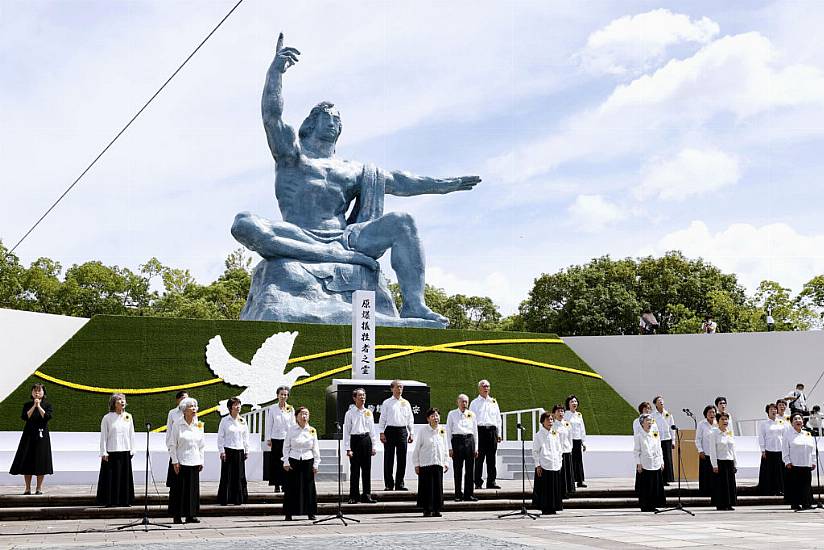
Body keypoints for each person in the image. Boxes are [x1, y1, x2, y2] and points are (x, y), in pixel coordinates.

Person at [231, 34, 481, 327]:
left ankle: (415, 305)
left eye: (338, 118)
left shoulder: (352, 169)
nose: (335, 120)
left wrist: (443, 185)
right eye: (328, 115)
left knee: (403, 222)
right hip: (297, 233)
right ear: (311, 122)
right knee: (243, 223)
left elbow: (401, 181)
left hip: (346, 238)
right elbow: (272, 116)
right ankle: (326, 254)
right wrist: (275, 73)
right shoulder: (292, 156)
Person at [9, 383, 53, 495]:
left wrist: (39, 406)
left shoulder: (47, 405)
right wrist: (34, 406)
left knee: (41, 461)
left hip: (42, 436)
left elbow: (47, 417)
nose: (37, 393)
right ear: (32, 393)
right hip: (28, 435)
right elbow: (25, 417)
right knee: (27, 460)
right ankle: (27, 488)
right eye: (35, 391)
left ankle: (39, 488)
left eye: (39, 391)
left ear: (44, 393)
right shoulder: (27, 405)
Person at [168, 397, 205, 524]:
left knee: (193, 490)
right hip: (181, 461)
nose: (194, 409)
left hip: (194, 461)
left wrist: (201, 460)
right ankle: (177, 515)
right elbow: (172, 444)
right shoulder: (177, 424)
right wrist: (174, 461)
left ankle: (191, 515)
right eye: (191, 406)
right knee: (179, 490)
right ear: (184, 410)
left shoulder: (199, 425)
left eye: (195, 406)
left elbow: (201, 445)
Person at [96, 393, 135, 507]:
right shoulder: (107, 418)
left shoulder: (128, 416)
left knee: (124, 477)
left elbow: (131, 434)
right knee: (111, 478)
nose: (122, 402)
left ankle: (125, 500)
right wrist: (103, 452)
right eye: (119, 400)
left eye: (123, 400)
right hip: (111, 451)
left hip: (125, 450)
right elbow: (104, 436)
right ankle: (110, 500)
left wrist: (133, 449)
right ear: (114, 403)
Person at [282, 406, 320, 520]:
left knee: (309, 487)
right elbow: (286, 446)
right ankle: (289, 513)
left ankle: (310, 512)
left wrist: (316, 464)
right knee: (291, 487)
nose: (304, 416)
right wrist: (286, 461)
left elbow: (315, 448)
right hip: (294, 460)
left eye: (306, 414)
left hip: (308, 460)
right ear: (296, 416)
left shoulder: (312, 430)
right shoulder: (291, 430)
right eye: (302, 414)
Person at [343, 388, 378, 504]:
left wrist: (374, 445)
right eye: (360, 396)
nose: (362, 398)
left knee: (366, 470)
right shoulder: (350, 413)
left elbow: (372, 430)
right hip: (355, 440)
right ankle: (354, 496)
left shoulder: (368, 412)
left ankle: (367, 495)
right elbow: (347, 431)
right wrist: (348, 448)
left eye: (364, 395)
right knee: (355, 470)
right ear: (354, 398)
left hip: (366, 440)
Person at [378, 380, 414, 491]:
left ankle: (400, 483)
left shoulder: (406, 403)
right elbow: (382, 418)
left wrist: (411, 432)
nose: (399, 389)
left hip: (402, 431)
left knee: (402, 458)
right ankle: (389, 484)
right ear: (392, 389)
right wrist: (381, 432)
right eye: (397, 387)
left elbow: (410, 419)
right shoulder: (387, 402)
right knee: (389, 458)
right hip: (390, 430)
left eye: (401, 387)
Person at [413, 408, 449, 517]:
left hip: (438, 462)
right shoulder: (423, 431)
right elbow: (417, 448)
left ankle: (437, 509)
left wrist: (446, 462)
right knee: (426, 487)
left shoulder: (442, 430)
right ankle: (427, 509)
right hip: (425, 463)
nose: (435, 418)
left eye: (437, 416)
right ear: (428, 418)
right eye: (433, 416)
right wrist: (416, 464)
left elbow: (445, 447)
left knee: (437, 487)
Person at [217, 397, 249, 505]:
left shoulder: (243, 421)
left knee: (239, 475)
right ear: (230, 407)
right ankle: (225, 498)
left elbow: (245, 437)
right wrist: (221, 451)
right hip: (228, 450)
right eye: (235, 405)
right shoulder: (224, 420)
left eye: (239, 404)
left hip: (240, 450)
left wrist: (246, 450)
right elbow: (220, 437)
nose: (238, 407)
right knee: (227, 475)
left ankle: (238, 499)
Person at [446, 394, 479, 502]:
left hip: (469, 441)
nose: (464, 404)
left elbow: (475, 432)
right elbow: (448, 432)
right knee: (458, 469)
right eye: (462, 401)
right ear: (458, 402)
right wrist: (450, 448)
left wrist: (476, 448)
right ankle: (458, 494)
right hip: (457, 441)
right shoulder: (452, 414)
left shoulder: (472, 414)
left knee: (470, 470)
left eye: (466, 402)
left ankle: (469, 494)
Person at [471, 380, 502, 490]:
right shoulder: (474, 403)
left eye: (488, 386)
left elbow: (498, 419)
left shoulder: (493, 402)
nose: (486, 388)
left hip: (492, 432)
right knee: (479, 458)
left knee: (491, 459)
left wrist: (499, 433)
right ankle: (477, 482)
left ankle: (491, 481)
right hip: (480, 431)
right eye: (484, 386)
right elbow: (472, 420)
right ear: (479, 388)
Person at [532, 411, 564, 515]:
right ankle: (545, 507)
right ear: (542, 422)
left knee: (554, 488)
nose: (550, 421)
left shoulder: (555, 433)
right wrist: (537, 465)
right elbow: (535, 451)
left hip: (555, 464)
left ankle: (554, 507)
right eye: (548, 419)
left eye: (551, 419)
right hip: (544, 464)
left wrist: (560, 462)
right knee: (545, 489)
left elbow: (559, 449)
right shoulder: (539, 435)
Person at [783, 413, 816, 510]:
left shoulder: (807, 434)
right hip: (794, 464)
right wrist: (787, 461)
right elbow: (785, 449)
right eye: (795, 419)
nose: (798, 421)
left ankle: (807, 503)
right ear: (792, 423)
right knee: (795, 485)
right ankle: (795, 504)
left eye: (799, 419)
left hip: (806, 463)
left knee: (806, 485)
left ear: (803, 421)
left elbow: (812, 448)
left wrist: (813, 461)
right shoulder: (788, 435)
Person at [265, 385, 294, 493]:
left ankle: (285, 484)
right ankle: (276, 484)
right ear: (277, 395)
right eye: (281, 394)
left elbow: (293, 424)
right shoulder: (272, 408)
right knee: (276, 462)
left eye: (285, 395)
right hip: (276, 439)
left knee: (286, 462)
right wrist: (268, 438)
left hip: (287, 439)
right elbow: (269, 424)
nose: (283, 396)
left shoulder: (290, 409)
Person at [634, 414, 666, 512]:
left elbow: (659, 448)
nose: (649, 422)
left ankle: (653, 504)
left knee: (654, 486)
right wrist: (638, 464)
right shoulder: (639, 436)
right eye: (647, 420)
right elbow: (636, 451)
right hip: (645, 464)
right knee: (645, 487)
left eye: (651, 420)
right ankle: (645, 505)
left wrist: (662, 461)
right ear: (642, 423)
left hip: (655, 463)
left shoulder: (655, 434)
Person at [709, 412, 737, 510]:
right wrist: (714, 465)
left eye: (726, 419)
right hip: (720, 461)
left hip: (729, 460)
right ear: (717, 421)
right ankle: (721, 504)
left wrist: (735, 463)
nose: (725, 421)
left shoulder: (729, 432)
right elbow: (712, 450)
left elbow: (733, 449)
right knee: (721, 484)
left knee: (730, 484)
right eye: (722, 419)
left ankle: (729, 503)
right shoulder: (714, 433)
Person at [757, 403, 786, 496]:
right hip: (769, 451)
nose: (774, 411)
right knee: (769, 472)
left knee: (780, 472)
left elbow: (784, 436)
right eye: (771, 409)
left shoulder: (781, 422)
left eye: (775, 409)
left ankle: (780, 489)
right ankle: (769, 490)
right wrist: (763, 450)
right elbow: (761, 437)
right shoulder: (764, 424)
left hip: (780, 450)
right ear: (767, 412)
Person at [165, 390, 188, 488]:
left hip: (186, 446)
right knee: (175, 472)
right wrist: (169, 446)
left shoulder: (192, 412)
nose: (186, 401)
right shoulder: (172, 413)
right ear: (177, 400)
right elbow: (169, 430)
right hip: (176, 446)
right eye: (183, 398)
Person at [564, 395, 587, 488]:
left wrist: (583, 442)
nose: (574, 403)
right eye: (572, 402)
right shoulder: (565, 414)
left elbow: (582, 429)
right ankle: (571, 480)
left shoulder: (579, 414)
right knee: (571, 461)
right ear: (568, 404)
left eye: (575, 401)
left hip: (577, 440)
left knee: (578, 461)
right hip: (569, 441)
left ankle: (580, 480)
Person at [652, 396, 676, 485]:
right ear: (655, 404)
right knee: (658, 459)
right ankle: (659, 479)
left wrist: (673, 440)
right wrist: (654, 439)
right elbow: (653, 428)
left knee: (667, 459)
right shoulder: (653, 415)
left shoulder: (668, 414)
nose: (661, 402)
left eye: (662, 400)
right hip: (657, 440)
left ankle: (666, 479)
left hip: (667, 439)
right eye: (659, 401)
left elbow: (672, 427)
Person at [695, 405, 718, 496]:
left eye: (713, 412)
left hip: (716, 454)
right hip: (705, 453)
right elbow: (698, 439)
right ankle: (704, 492)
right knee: (705, 474)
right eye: (709, 412)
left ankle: (715, 492)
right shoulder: (701, 424)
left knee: (714, 474)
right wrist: (700, 450)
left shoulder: (717, 423)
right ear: (706, 414)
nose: (712, 414)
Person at [552, 404, 575, 496]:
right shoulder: (553, 425)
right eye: (558, 411)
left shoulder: (567, 424)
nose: (560, 413)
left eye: (562, 411)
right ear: (554, 414)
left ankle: (568, 490)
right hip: (557, 452)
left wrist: (570, 448)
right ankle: (560, 491)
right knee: (560, 472)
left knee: (567, 472)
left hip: (566, 451)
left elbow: (570, 437)